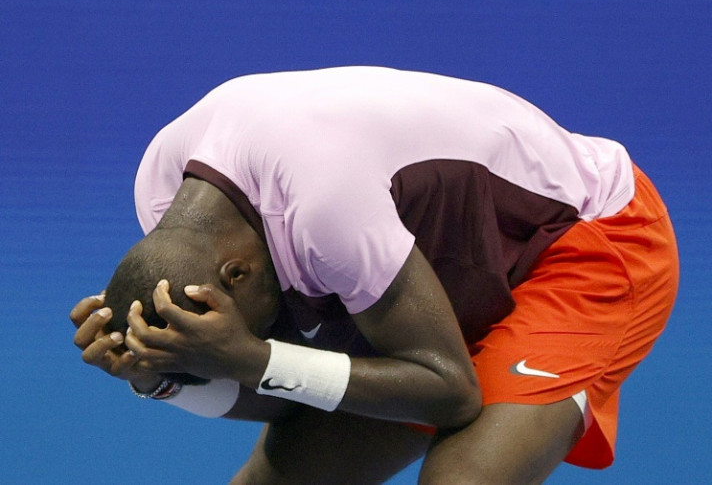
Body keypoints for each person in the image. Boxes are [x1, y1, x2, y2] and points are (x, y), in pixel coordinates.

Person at [70, 66, 679, 484]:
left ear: (235, 273)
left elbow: (449, 393)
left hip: (582, 241)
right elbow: (293, 403)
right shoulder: (165, 202)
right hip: (434, 262)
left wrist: (245, 358)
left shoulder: (325, 207)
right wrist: (156, 375)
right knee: (288, 473)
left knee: (464, 478)